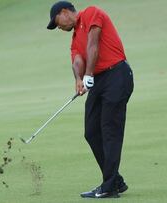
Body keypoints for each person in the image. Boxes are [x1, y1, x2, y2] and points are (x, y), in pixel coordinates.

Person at [46, 1, 134, 198]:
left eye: (57, 22)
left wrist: (88, 74)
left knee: (110, 130)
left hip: (117, 75)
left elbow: (93, 43)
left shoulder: (91, 13)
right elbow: (77, 60)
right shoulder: (75, 37)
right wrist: (79, 79)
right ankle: (115, 180)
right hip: (98, 79)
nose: (58, 27)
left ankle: (109, 186)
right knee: (92, 131)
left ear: (65, 12)